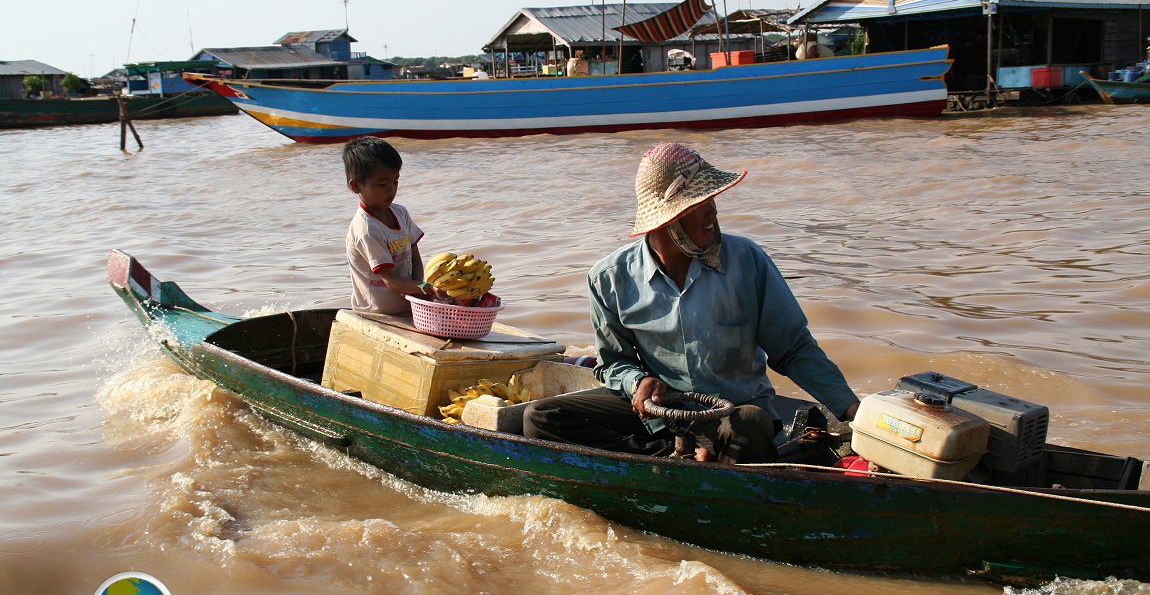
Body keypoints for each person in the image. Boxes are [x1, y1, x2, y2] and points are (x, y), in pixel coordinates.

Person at [522, 142, 860, 463]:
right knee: (542, 418)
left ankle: (699, 460)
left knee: (751, 423)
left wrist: (853, 411)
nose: (713, 213)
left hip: (734, 414)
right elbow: (613, 363)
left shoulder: (747, 261)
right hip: (662, 419)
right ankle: (671, 460)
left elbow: (793, 349)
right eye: (700, 205)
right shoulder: (609, 277)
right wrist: (637, 383)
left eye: (712, 200)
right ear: (669, 220)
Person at [343, 136, 439, 315]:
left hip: (407, 307)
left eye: (395, 181)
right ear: (356, 186)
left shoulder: (400, 213)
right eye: (382, 184)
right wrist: (428, 289)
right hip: (377, 313)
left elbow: (415, 257)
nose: (391, 189)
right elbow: (392, 280)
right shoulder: (367, 229)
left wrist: (420, 290)